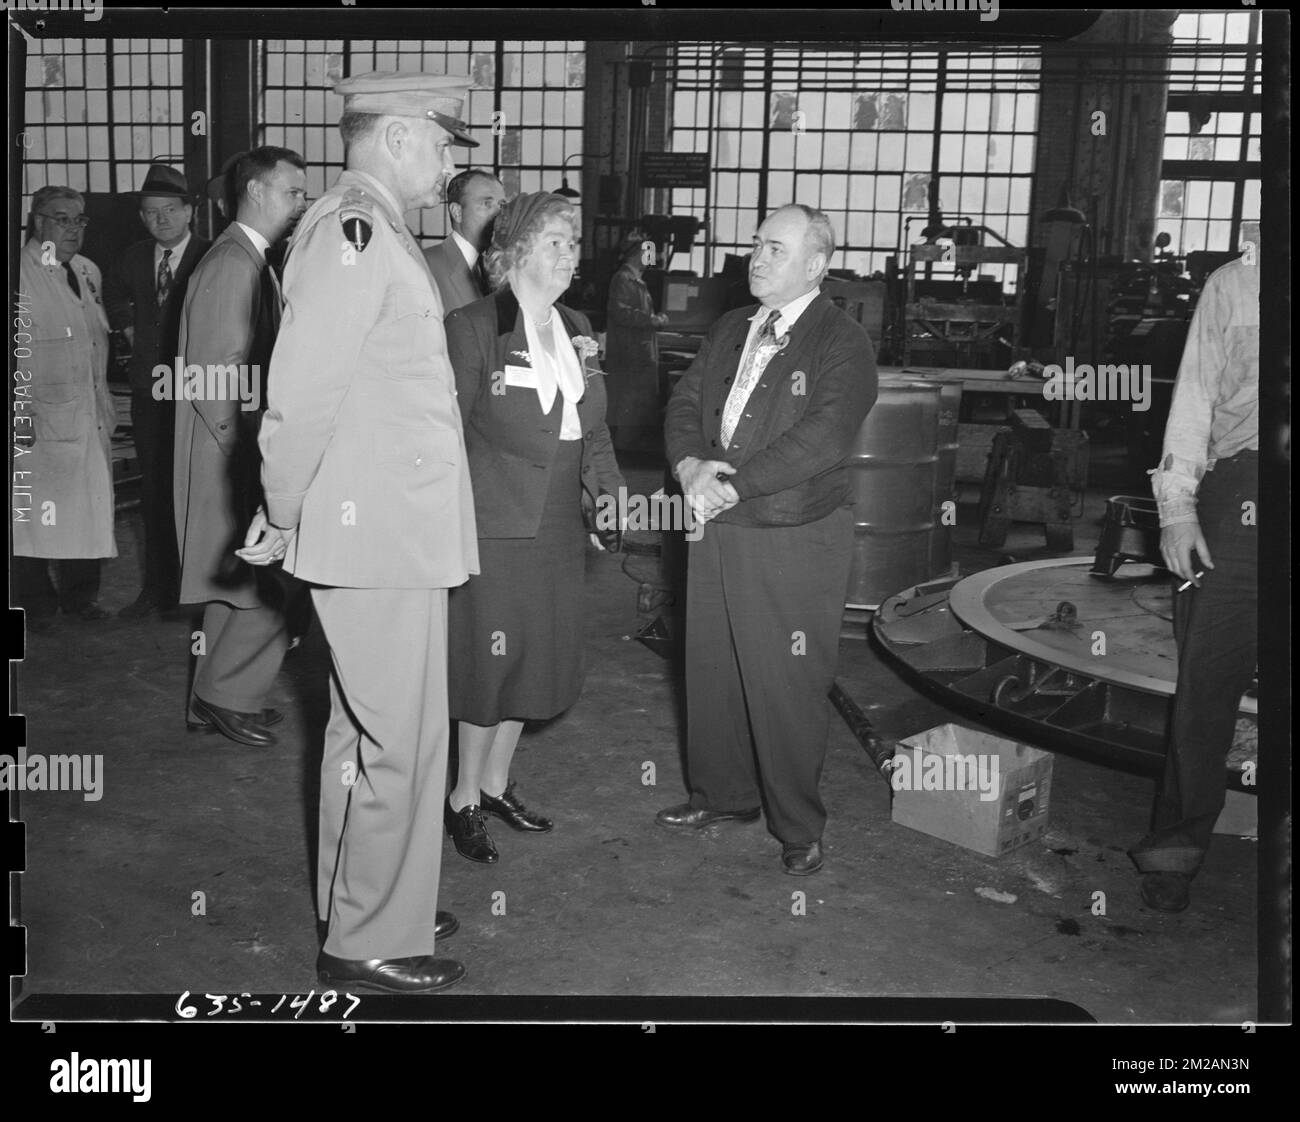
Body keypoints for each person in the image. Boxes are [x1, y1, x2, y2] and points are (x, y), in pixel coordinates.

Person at [247, 71, 479, 994]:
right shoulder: (353, 235)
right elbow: (299, 398)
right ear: (394, 136)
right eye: (442, 139)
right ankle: (370, 939)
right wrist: (284, 511)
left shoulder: (372, 231)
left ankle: (371, 902)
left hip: (390, 530)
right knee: (399, 739)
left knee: (360, 732)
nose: (451, 157)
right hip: (375, 535)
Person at [658, 204, 877, 876]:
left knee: (785, 681)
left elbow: (825, 436)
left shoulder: (842, 342)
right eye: (757, 245)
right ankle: (723, 796)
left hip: (792, 535)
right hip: (715, 523)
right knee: (712, 668)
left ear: (816, 264)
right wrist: (690, 465)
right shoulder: (731, 327)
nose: (757, 258)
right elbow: (684, 404)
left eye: (776, 249)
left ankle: (798, 825)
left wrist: (735, 484)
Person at [442, 192, 625, 864]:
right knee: (488, 668)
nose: (569, 253)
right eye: (554, 240)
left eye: (573, 242)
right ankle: (461, 796)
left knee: (536, 661)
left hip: (556, 525)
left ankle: (494, 783)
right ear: (513, 249)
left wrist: (609, 493)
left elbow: (594, 423)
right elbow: (446, 434)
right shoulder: (473, 327)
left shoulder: (578, 324)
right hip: (494, 526)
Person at [1129, 249, 1259, 913]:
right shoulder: (1233, 286)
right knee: (1206, 686)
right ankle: (1174, 852)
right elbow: (1194, 400)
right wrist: (1177, 510)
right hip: (1245, 485)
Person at [175, 146, 309, 747]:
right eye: (292, 192)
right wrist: (250, 460)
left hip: (239, 448)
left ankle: (217, 698)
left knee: (235, 588)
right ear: (256, 192)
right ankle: (225, 695)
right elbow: (214, 374)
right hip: (230, 451)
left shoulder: (253, 260)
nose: (300, 203)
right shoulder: (234, 264)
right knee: (268, 586)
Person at [104, 164, 211, 618]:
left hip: (200, 395)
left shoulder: (211, 257)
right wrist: (127, 328)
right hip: (150, 395)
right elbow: (112, 293)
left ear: (189, 212)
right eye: (150, 213)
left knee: (200, 492)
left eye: (170, 210)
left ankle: (198, 589)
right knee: (153, 490)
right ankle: (156, 587)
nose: (160, 220)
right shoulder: (132, 257)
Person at [14, 186, 117, 628]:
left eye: (80, 221)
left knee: (89, 508)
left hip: (88, 411)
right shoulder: (22, 273)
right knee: (32, 513)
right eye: (62, 219)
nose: (74, 228)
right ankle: (35, 603)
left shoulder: (87, 271)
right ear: (38, 222)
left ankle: (80, 597)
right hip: (38, 415)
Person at [604, 231, 668, 448]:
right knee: (629, 400)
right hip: (629, 351)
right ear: (635, 254)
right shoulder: (622, 279)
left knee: (638, 400)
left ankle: (629, 445)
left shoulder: (637, 280)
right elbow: (620, 312)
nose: (650, 258)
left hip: (639, 351)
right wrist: (652, 320)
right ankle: (624, 447)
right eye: (646, 253)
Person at [423, 168, 504, 312]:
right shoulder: (426, 266)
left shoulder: (504, 267)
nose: (499, 214)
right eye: (487, 204)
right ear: (457, 212)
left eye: (502, 205)